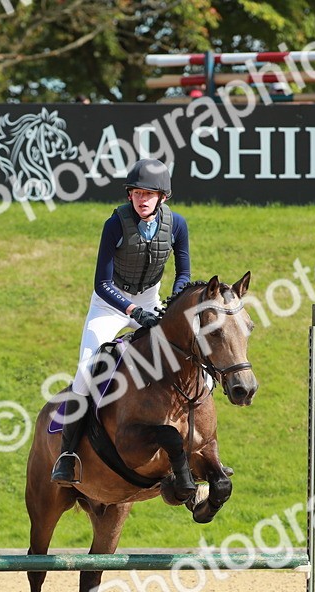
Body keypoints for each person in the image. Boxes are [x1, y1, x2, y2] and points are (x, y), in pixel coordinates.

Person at [50, 158, 192, 485]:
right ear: (130, 195)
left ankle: (196, 443)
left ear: (162, 197)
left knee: (185, 353)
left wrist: (172, 305)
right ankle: (68, 453)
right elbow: (102, 283)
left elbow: (183, 273)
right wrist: (132, 311)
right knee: (86, 371)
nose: (143, 199)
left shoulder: (178, 225)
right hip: (109, 305)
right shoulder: (114, 224)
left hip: (150, 300)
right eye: (137, 192)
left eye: (150, 193)